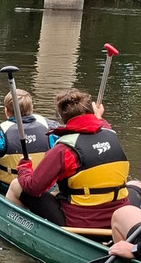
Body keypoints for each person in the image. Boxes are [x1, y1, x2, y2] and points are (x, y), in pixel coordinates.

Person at [10, 88, 141, 229]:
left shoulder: (63, 149)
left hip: (79, 223)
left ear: (62, 117)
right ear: (90, 112)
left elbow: (33, 188)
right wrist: (98, 116)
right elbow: (99, 125)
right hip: (118, 217)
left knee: (17, 185)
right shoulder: (110, 133)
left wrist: (24, 168)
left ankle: (17, 228)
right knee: (136, 184)